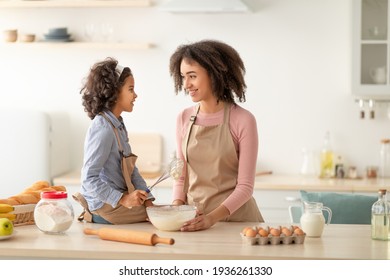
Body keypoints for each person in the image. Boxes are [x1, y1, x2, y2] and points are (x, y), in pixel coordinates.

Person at [169, 39, 264, 232]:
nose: (186, 84)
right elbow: (180, 176)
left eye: (192, 76)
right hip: (195, 221)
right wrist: (177, 207)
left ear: (213, 74)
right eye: (183, 77)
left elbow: (245, 187)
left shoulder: (243, 120)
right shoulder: (184, 118)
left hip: (238, 223)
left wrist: (211, 219)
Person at [74, 57, 154, 225]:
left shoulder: (117, 125)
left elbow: (132, 171)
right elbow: (88, 179)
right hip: (104, 206)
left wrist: (148, 198)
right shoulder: (103, 128)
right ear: (115, 92)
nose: (136, 95)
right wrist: (123, 199)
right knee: (159, 216)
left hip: (115, 202)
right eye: (131, 89)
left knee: (156, 212)